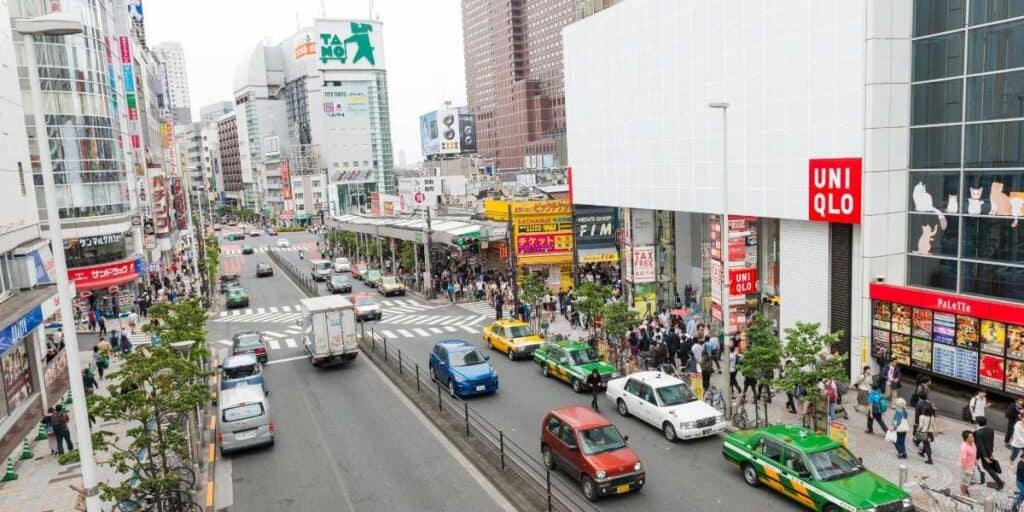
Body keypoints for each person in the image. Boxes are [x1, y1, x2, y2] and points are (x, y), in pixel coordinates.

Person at [975, 417, 1004, 490]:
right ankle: (979, 476)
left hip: (981, 452)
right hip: (988, 451)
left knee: (987, 467)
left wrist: (985, 457)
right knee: (975, 464)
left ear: (978, 423)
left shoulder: (978, 433)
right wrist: (990, 452)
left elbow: (981, 446)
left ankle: (999, 482)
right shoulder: (991, 429)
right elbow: (991, 442)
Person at [961, 430, 978, 496]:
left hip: (973, 465)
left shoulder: (973, 444)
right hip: (967, 467)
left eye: (972, 436)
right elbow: (963, 459)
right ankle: (962, 492)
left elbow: (974, 453)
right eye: (971, 437)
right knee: (965, 482)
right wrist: (966, 470)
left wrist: (976, 461)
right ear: (966, 439)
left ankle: (965, 488)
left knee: (976, 480)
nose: (973, 438)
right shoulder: (964, 447)